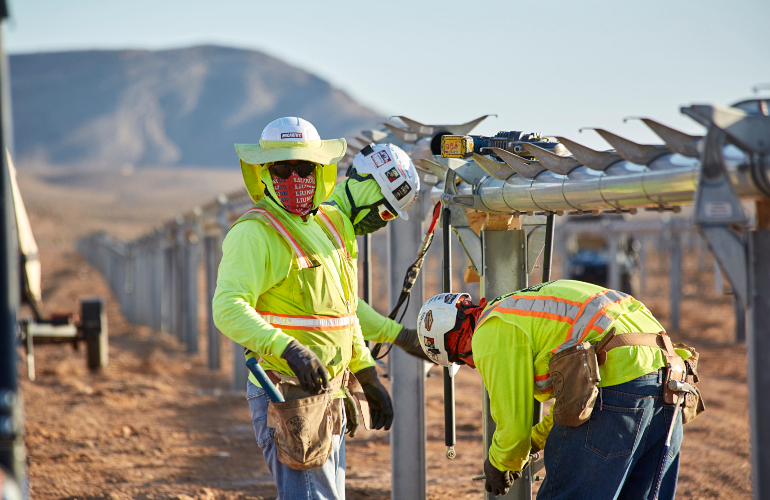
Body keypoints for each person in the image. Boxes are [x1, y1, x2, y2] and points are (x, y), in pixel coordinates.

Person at [213, 117, 394, 500]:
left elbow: (343, 311)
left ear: (321, 170)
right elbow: (227, 307)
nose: (294, 178)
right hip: (288, 392)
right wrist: (287, 348)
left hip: (330, 393)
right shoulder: (255, 232)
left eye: (304, 168)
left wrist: (366, 372)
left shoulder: (330, 225)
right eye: (282, 168)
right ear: (263, 173)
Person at [416, 279, 698, 499]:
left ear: (453, 340)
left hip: (618, 389)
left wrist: (500, 464)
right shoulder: (520, 306)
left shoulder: (490, 330)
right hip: (670, 384)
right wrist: (537, 439)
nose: (472, 365)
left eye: (460, 359)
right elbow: (574, 400)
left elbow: (512, 429)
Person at [323, 143, 429, 362]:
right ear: (369, 188)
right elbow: (340, 304)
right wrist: (399, 336)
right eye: (386, 213)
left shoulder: (338, 223)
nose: (381, 223)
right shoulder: (326, 225)